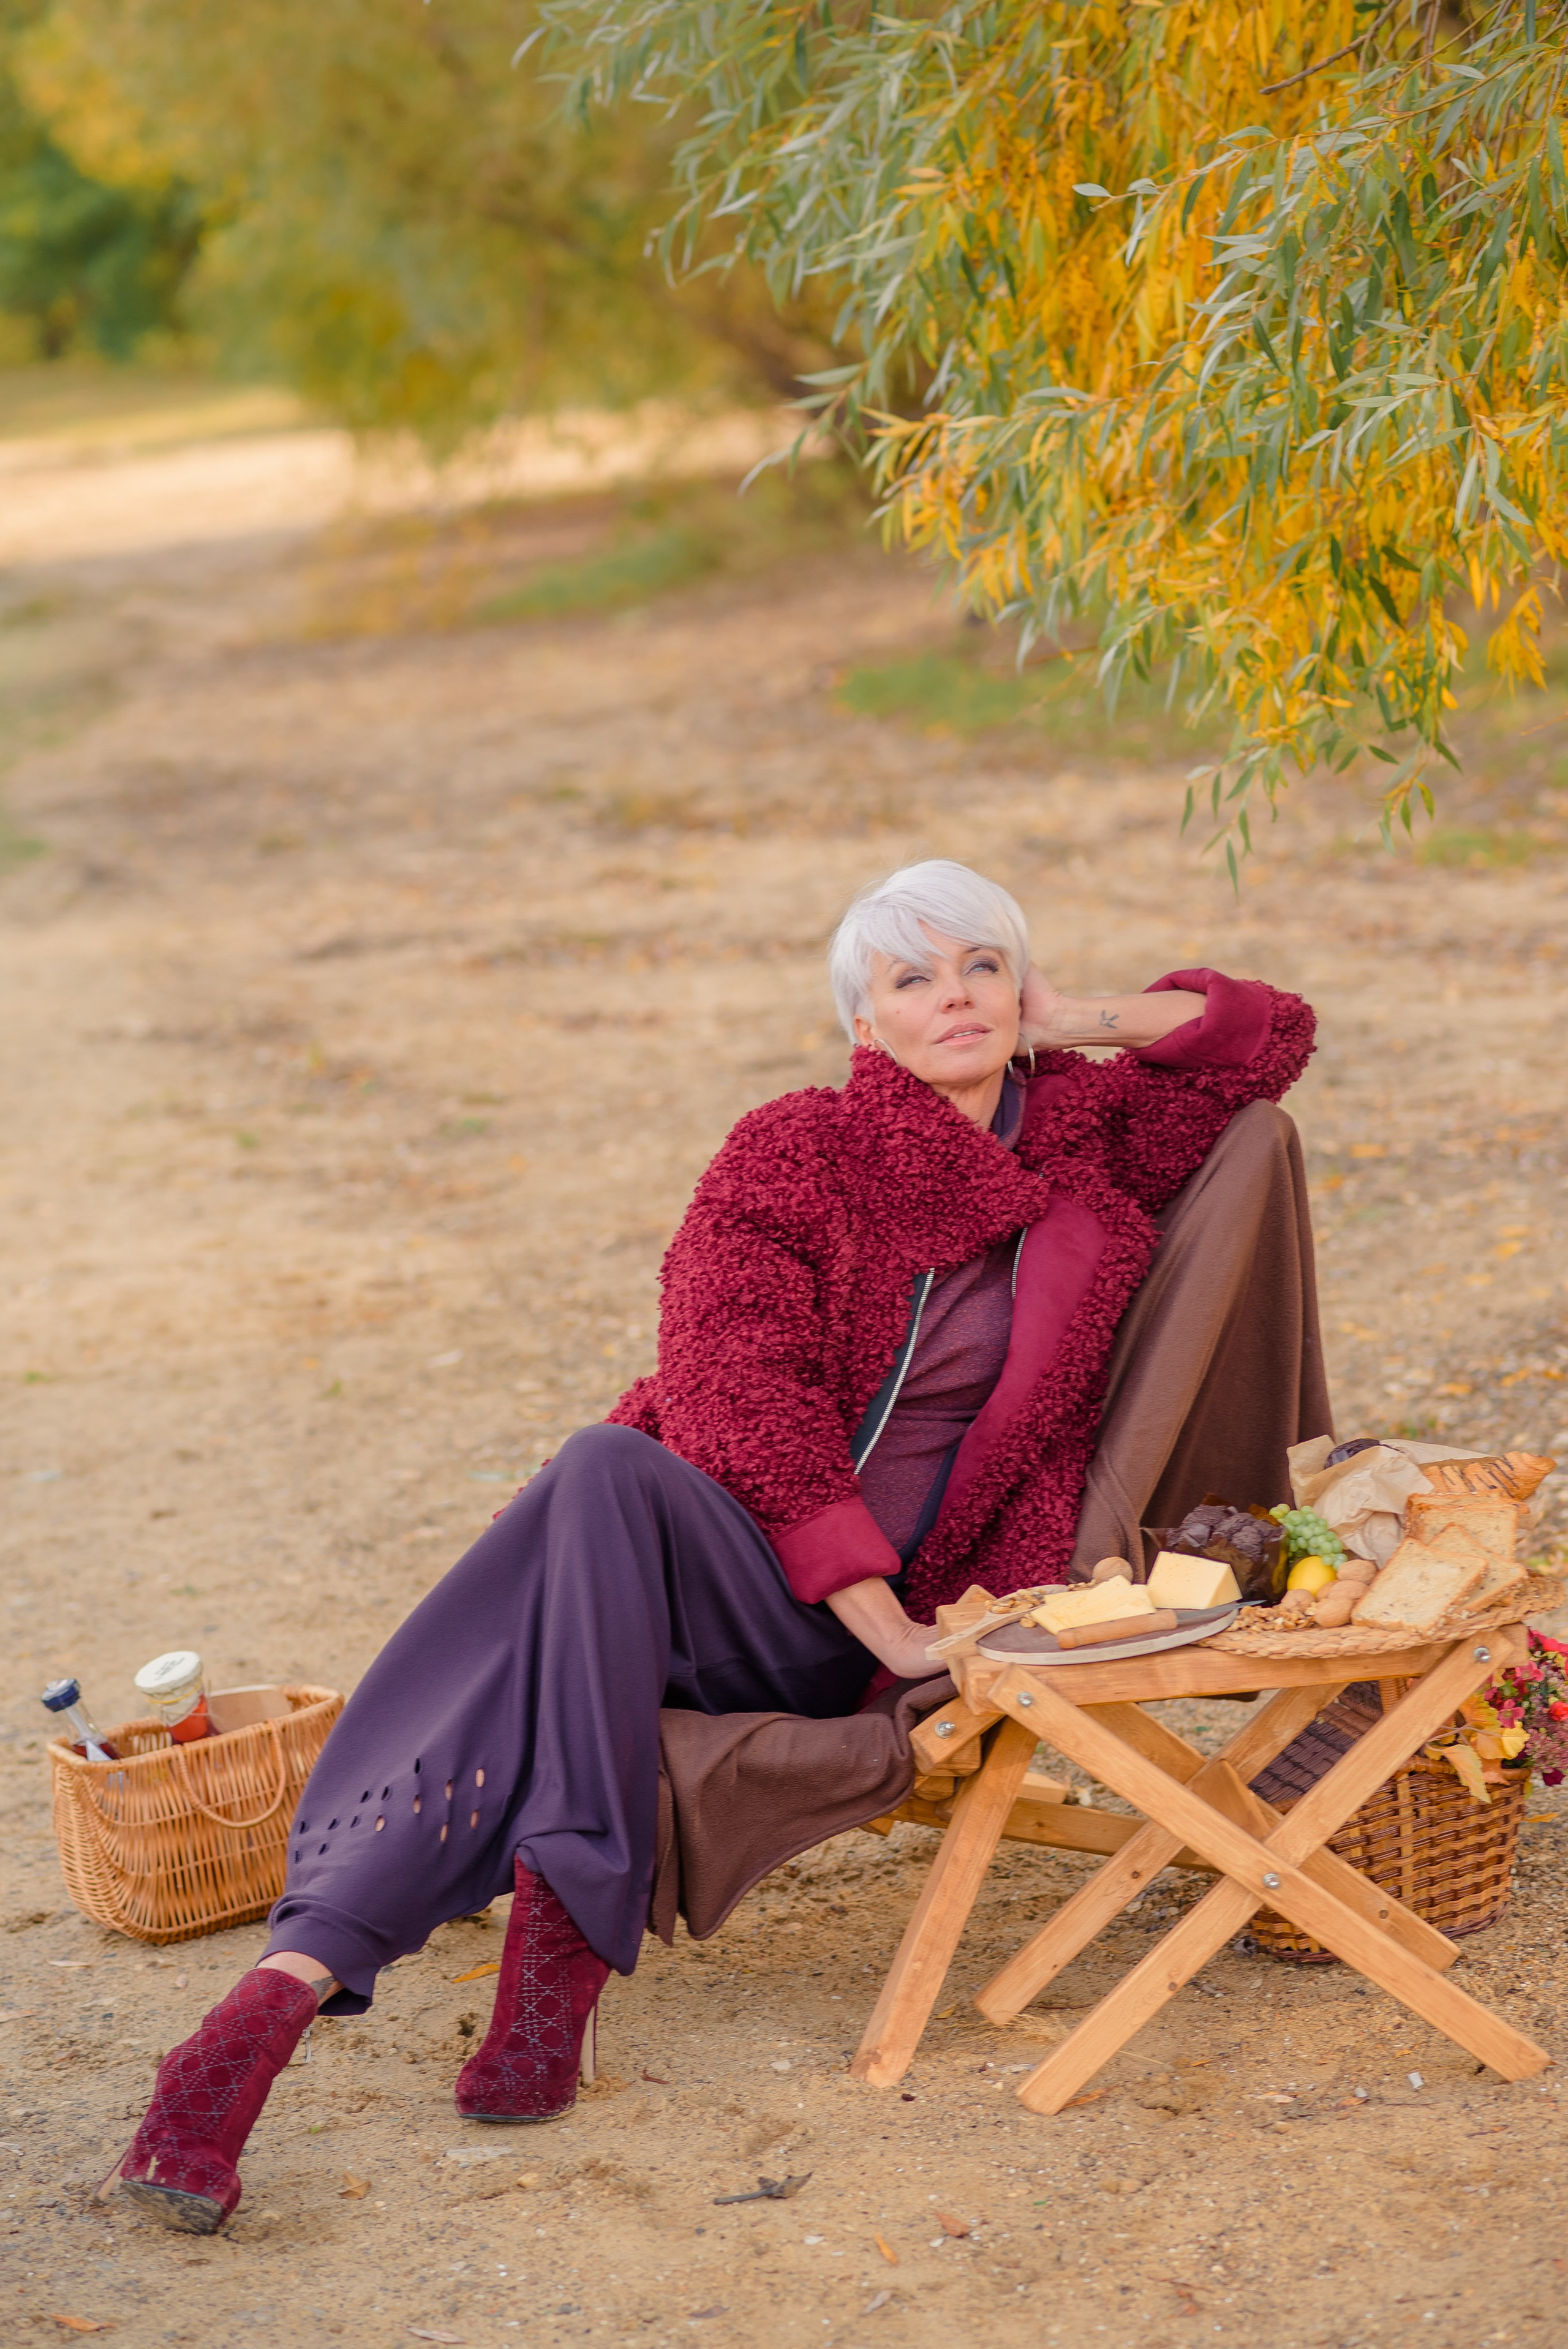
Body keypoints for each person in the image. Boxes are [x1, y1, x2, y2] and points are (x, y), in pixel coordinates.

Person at [116, 859, 1324, 2234]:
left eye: (979, 967)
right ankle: (310, 2006)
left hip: (910, 1591)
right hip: (746, 1574)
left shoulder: (1085, 1135)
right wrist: (886, 1627)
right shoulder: (791, 1150)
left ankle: (390, 1981)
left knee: (521, 1632)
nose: (952, 1000)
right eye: (910, 980)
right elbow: (730, 1393)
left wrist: (1079, 1014)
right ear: (859, 1026)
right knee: (604, 1467)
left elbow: (1269, 1038)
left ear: (1018, 988)